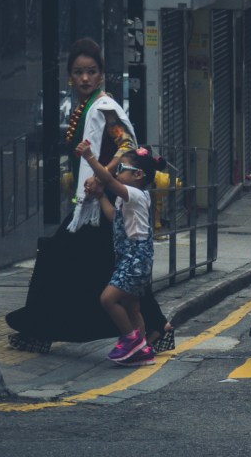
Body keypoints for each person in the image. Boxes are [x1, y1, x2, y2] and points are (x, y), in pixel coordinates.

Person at [6, 39, 173, 354]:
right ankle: (155, 326)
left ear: (101, 76)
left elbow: (126, 146)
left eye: (91, 72)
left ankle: (39, 331)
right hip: (97, 203)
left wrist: (101, 176)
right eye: (78, 72)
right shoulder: (83, 107)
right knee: (107, 266)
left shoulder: (104, 107)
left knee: (58, 258)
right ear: (70, 76)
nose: (84, 78)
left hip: (104, 202)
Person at [76, 141, 166, 366]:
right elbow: (112, 217)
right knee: (132, 307)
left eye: (121, 169)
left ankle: (130, 340)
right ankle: (142, 350)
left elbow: (106, 180)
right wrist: (100, 196)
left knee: (107, 299)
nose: (116, 173)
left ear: (138, 175)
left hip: (136, 258)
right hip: (129, 258)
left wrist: (89, 158)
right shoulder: (126, 197)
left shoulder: (135, 194)